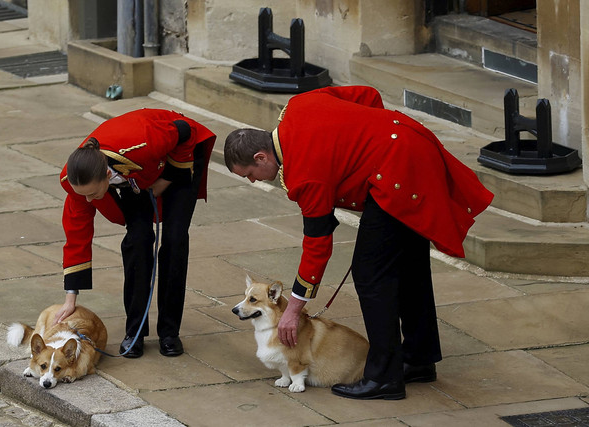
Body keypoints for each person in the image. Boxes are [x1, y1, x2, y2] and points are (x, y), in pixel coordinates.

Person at [223, 85, 493, 400]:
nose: (255, 181)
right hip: (410, 144)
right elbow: (367, 95)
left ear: (261, 156)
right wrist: (372, 137)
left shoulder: (304, 174)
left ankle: (384, 377)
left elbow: (318, 245)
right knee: (408, 264)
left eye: (251, 174)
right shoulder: (297, 106)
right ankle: (419, 359)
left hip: (396, 174)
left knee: (371, 273)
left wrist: (293, 310)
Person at [56, 108, 216, 358]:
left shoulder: (144, 142)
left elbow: (186, 132)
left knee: (174, 239)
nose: (87, 199)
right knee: (137, 240)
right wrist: (70, 298)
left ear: (107, 175)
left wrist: (167, 179)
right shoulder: (77, 180)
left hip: (177, 157)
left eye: (91, 193)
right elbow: (76, 236)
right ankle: (135, 332)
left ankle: (169, 333)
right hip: (136, 176)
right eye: (82, 193)